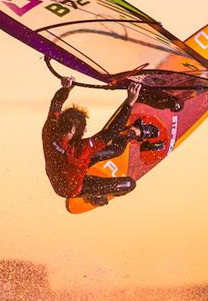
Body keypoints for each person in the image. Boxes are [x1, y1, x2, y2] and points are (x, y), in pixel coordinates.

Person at [42, 76, 163, 206]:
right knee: (129, 184)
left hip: (62, 172)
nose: (85, 130)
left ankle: (131, 133)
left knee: (116, 150)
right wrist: (129, 103)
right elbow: (111, 132)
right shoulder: (79, 149)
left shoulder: (50, 130)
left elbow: (56, 103)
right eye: (83, 128)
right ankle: (134, 132)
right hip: (73, 188)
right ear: (72, 130)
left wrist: (66, 88)